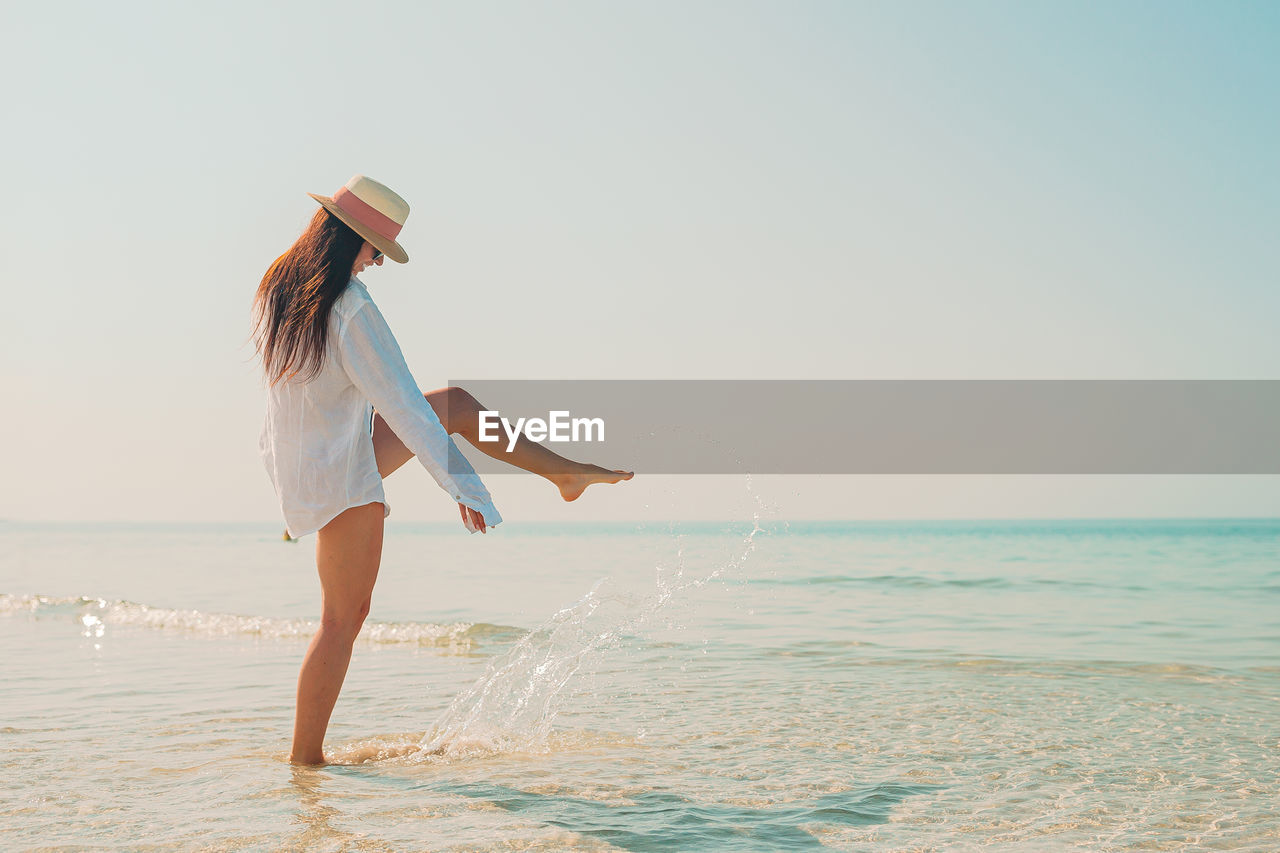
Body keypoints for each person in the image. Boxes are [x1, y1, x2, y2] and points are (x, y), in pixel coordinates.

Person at [250, 174, 633, 765]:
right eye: (378, 249)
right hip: (337, 472)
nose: (377, 262)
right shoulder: (350, 307)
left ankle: (562, 474)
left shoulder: (283, 282)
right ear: (356, 238)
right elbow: (400, 403)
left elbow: (295, 393)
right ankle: (306, 762)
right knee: (341, 619)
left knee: (452, 405)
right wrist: (463, 485)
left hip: (312, 458)